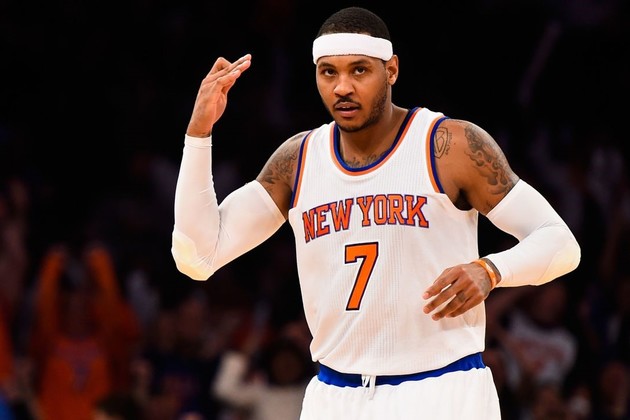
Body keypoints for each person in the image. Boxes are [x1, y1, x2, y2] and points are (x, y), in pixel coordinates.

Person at [171, 6, 581, 419]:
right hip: (336, 397)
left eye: (359, 71)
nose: (342, 87)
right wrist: (198, 134)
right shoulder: (298, 160)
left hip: (442, 389)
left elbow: (561, 243)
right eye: (328, 72)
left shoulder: (449, 146)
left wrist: (490, 271)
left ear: (392, 70)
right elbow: (199, 257)